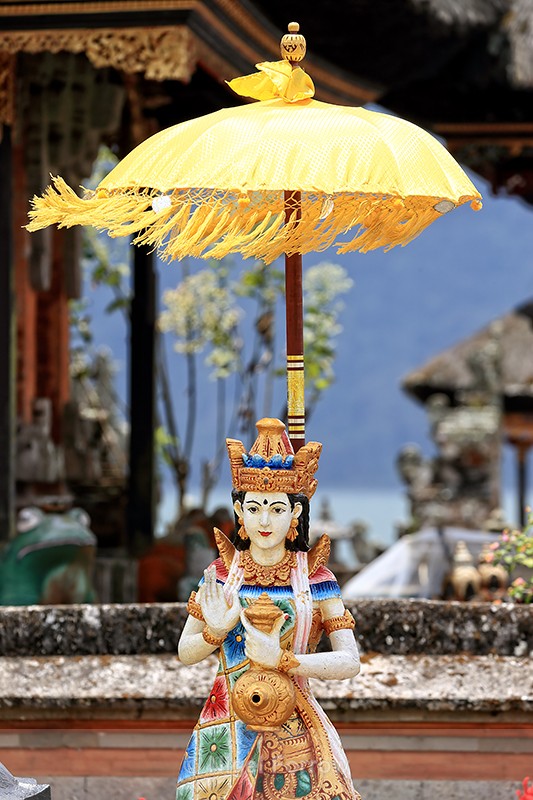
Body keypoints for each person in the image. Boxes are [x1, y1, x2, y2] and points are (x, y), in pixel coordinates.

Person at [177, 418, 361, 800]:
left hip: (296, 727)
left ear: (295, 514)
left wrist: (285, 660)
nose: (264, 521)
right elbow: (186, 653)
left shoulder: (315, 577)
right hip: (226, 726)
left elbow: (349, 661)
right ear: (239, 512)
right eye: (255, 508)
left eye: (277, 509)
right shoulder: (221, 575)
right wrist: (215, 631)